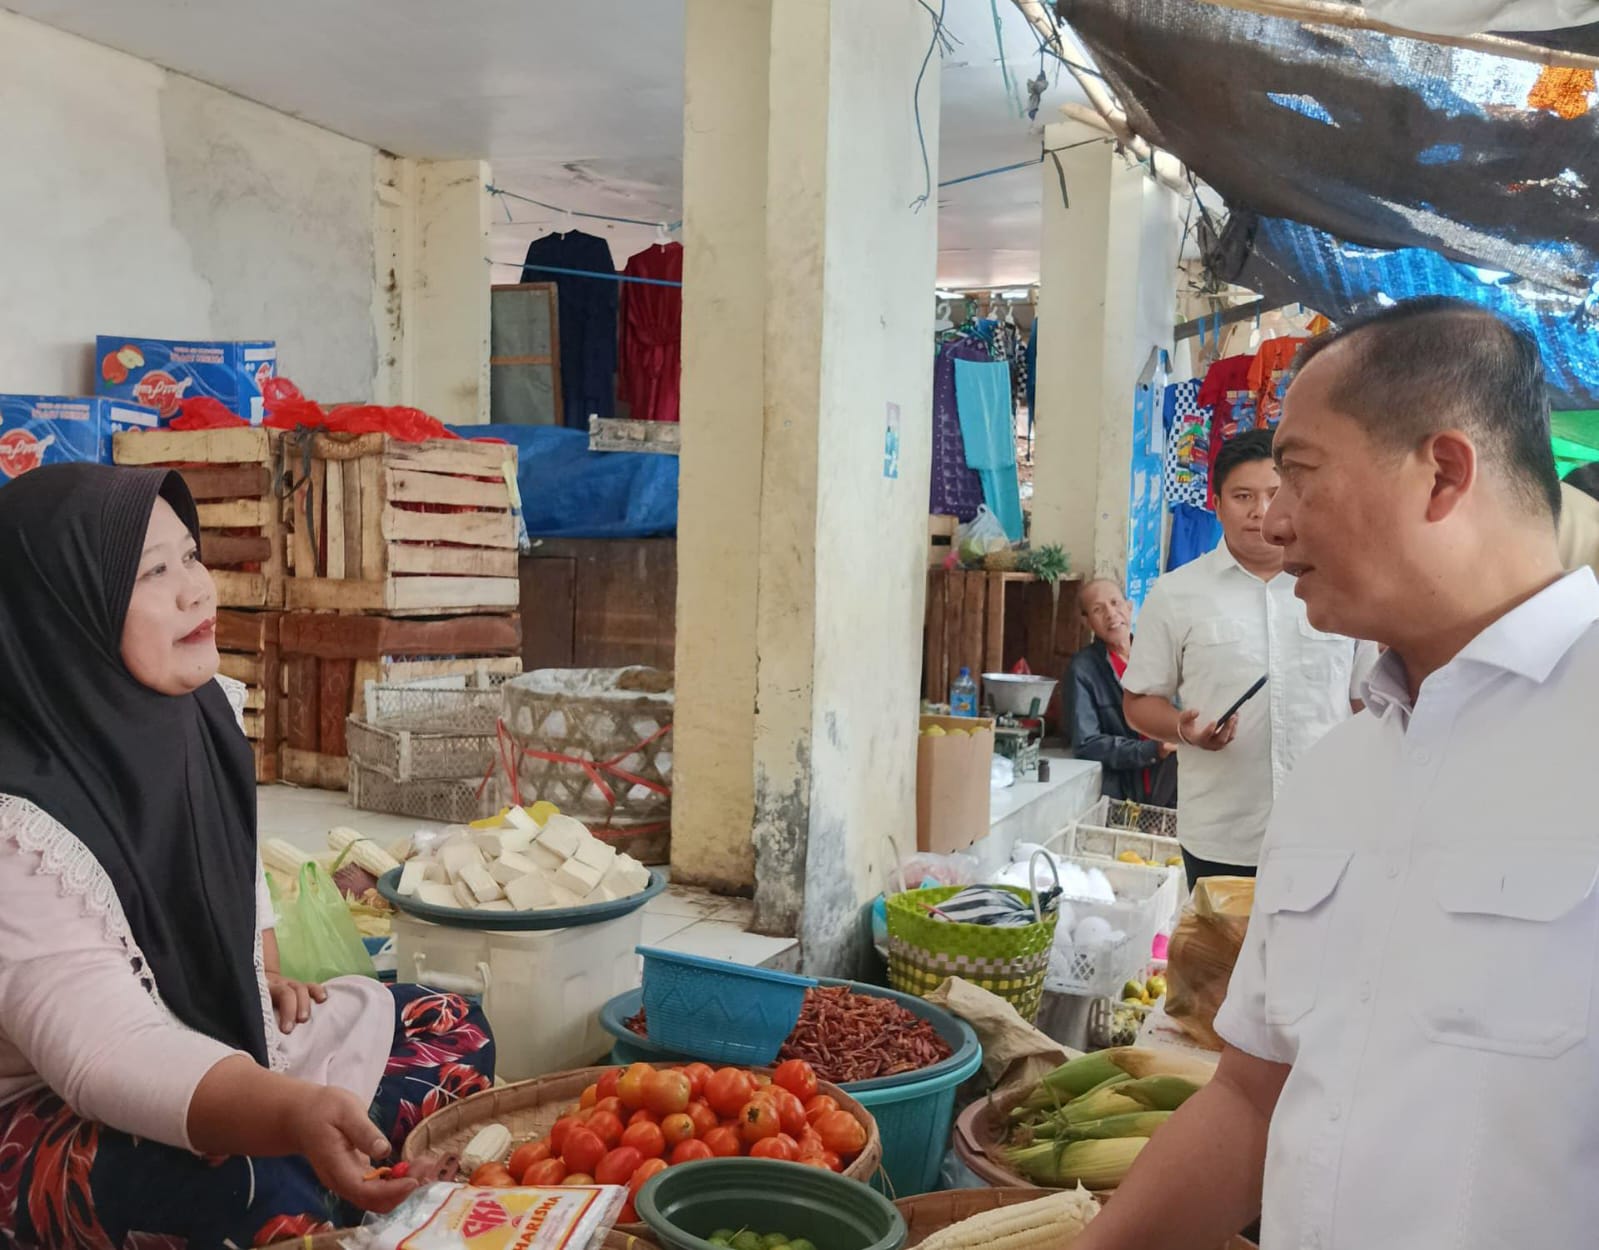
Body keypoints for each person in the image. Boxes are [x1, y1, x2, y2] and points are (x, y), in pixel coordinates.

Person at [1073, 298, 1599, 1250]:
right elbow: (1249, 1096)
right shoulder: (1339, 774)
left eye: (1300, 477)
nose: (1271, 522)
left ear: (1441, 474)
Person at [0, 464, 496, 1247]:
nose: (197, 589)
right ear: (63, 612)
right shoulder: (16, 822)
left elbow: (229, 871)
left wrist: (260, 978)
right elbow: (107, 1054)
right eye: (154, 571)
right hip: (50, 1103)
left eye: (191, 556)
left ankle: (338, 1172)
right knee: (258, 1181)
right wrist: (287, 1112)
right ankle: (328, 1175)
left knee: (453, 1026)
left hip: (214, 1045)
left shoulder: (197, 712)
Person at [1120, 427, 1373, 888]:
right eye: (1242, 496)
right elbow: (1138, 702)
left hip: (1328, 828)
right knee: (1224, 959)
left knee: (1316, 959)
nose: (1260, 511)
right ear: (1216, 504)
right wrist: (1184, 729)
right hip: (1223, 835)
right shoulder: (1176, 593)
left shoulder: (1341, 587)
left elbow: (1366, 702)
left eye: (1275, 494)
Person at [1066, 579, 1178, 806]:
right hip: (1122, 791)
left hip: (1172, 783)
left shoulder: (1159, 655)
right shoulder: (1083, 669)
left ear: (1130, 607)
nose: (1110, 614)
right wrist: (1150, 750)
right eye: (1098, 609)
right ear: (1086, 621)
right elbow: (1086, 742)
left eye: (1115, 603)